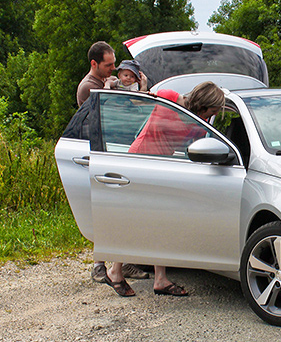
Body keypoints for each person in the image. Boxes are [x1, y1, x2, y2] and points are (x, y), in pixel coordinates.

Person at [105, 81, 226, 297]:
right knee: (132, 220)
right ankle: (115, 270)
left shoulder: (198, 122)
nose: (211, 116)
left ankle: (158, 279)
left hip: (161, 168)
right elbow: (138, 100)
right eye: (213, 111)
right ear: (204, 104)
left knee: (159, 222)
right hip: (139, 161)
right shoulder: (168, 97)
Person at [76, 41, 149, 286]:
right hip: (99, 156)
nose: (113, 69)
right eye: (109, 65)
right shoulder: (89, 88)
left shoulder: (107, 82)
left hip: (112, 153)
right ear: (94, 64)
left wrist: (140, 87)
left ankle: (123, 261)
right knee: (104, 211)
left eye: (114, 64)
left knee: (120, 211)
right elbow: (111, 109)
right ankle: (99, 265)